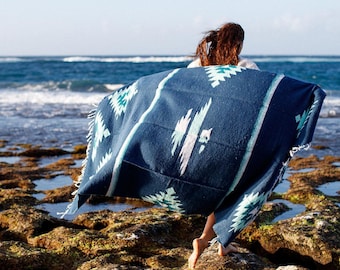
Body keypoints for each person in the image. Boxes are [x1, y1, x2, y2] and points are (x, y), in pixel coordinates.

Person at [187, 22, 259, 269]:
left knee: (221, 192)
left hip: (199, 139)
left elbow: (184, 97)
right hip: (232, 139)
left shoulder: (196, 66)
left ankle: (214, 240)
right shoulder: (246, 67)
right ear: (238, 42)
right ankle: (213, 239)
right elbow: (259, 101)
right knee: (241, 191)